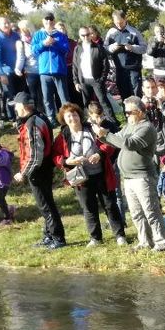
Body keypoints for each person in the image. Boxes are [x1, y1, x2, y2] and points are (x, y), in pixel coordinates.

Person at [96, 96, 165, 251]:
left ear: (140, 112)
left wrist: (106, 135)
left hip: (143, 177)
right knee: (136, 213)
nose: (126, 115)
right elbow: (116, 140)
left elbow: (130, 144)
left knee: (151, 212)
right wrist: (101, 135)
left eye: (129, 112)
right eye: (126, 112)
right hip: (128, 178)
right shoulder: (129, 126)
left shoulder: (146, 128)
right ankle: (145, 241)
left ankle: (161, 242)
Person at [53, 102, 126, 247]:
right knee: (89, 208)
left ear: (79, 115)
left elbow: (109, 143)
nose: (73, 118)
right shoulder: (63, 136)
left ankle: (120, 235)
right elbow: (55, 156)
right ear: (64, 119)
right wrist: (68, 161)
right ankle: (96, 238)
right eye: (68, 116)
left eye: (74, 114)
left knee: (110, 205)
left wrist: (100, 154)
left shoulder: (92, 128)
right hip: (80, 178)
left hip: (101, 174)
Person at [12, 91, 65, 248]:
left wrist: (23, 173)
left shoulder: (33, 124)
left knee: (46, 206)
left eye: (16, 106)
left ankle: (58, 238)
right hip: (43, 168)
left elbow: (35, 155)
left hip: (39, 170)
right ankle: (49, 235)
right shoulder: (36, 118)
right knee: (46, 204)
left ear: (23, 106)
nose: (15, 109)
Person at [32, 13, 70, 125]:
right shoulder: (38, 35)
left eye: (51, 19)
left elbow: (66, 50)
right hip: (44, 72)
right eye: (46, 19)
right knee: (47, 98)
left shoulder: (61, 35)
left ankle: (67, 117)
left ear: (54, 21)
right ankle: (51, 118)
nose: (49, 21)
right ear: (43, 21)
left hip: (59, 70)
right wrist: (43, 43)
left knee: (64, 97)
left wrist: (54, 43)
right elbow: (34, 51)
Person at [74, 26, 114, 124]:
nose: (85, 37)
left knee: (103, 101)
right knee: (86, 103)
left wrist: (102, 79)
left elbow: (106, 65)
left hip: (96, 80)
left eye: (87, 34)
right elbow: (75, 66)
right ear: (79, 36)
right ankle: (89, 123)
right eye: (83, 35)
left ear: (90, 35)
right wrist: (76, 82)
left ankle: (113, 122)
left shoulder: (98, 47)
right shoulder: (77, 49)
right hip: (83, 80)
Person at [104, 10, 145, 101]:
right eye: (116, 23)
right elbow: (104, 48)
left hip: (134, 69)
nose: (118, 25)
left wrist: (132, 47)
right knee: (124, 96)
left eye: (121, 22)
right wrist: (111, 48)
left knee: (136, 96)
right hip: (120, 69)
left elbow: (144, 48)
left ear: (125, 19)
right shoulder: (111, 32)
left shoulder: (134, 32)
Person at [0, 17, 19, 121]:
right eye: (4, 23)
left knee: (19, 95)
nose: (6, 25)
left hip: (18, 70)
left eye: (8, 22)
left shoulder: (16, 35)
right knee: (10, 95)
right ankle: (12, 118)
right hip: (5, 72)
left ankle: (20, 115)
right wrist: (1, 73)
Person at [14, 20, 42, 112]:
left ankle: (46, 113)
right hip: (30, 72)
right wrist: (18, 68)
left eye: (24, 29)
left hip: (43, 71)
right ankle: (35, 112)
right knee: (33, 95)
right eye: (21, 29)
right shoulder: (20, 43)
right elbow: (21, 57)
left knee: (44, 94)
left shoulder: (38, 39)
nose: (23, 31)